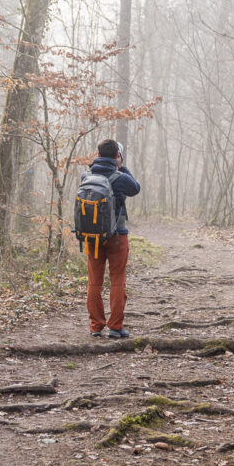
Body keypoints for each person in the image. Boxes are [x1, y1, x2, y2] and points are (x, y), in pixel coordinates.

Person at [84, 139, 140, 338]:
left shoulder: (86, 175)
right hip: (117, 236)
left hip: (93, 237)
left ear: (97, 155)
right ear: (117, 155)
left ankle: (95, 326)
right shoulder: (121, 176)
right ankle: (115, 327)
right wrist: (122, 166)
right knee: (117, 281)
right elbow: (136, 188)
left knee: (94, 282)